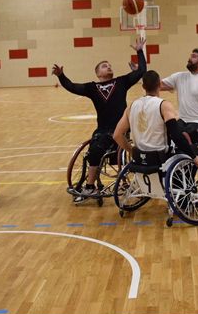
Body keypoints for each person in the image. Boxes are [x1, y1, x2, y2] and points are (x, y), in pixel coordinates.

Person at [52, 36, 147, 201]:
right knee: (94, 151)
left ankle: (109, 183)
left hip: (121, 129)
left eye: (110, 65)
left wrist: (139, 51)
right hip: (102, 130)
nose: (108, 66)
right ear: (98, 73)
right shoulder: (92, 87)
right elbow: (72, 86)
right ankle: (89, 187)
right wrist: (61, 76)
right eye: (105, 66)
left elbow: (141, 72)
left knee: (108, 149)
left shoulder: (122, 81)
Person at [113, 70, 198, 168]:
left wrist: (132, 151)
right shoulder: (164, 105)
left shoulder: (131, 107)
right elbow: (176, 135)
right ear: (160, 84)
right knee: (194, 150)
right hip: (160, 157)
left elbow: (117, 135)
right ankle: (181, 183)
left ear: (143, 87)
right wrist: (194, 157)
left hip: (139, 156)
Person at [161, 48, 198, 147]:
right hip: (183, 121)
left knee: (183, 137)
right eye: (190, 56)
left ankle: (196, 159)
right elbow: (155, 85)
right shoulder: (180, 77)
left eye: (193, 56)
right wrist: (139, 73)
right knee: (165, 133)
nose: (189, 58)